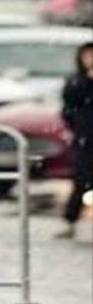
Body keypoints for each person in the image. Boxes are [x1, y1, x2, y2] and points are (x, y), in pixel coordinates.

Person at [56, 42, 93, 239]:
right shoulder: (76, 81)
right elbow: (68, 108)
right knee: (80, 180)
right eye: (87, 56)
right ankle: (70, 220)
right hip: (85, 138)